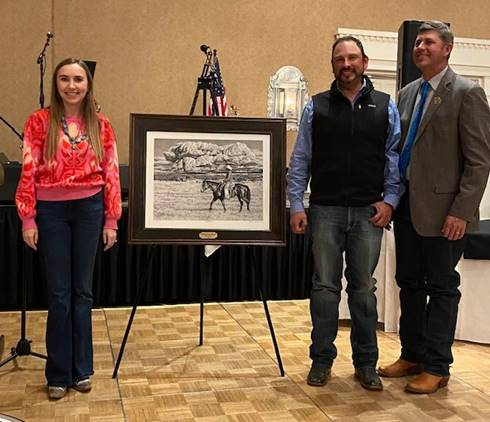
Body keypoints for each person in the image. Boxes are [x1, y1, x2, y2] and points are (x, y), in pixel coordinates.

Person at [378, 21, 490, 394]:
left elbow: (479, 161)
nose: (420, 47)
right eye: (418, 42)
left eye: (429, 42)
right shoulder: (407, 93)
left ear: (448, 49)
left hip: (447, 214)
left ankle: (438, 366)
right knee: (408, 283)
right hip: (407, 206)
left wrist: (461, 211)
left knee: (442, 286)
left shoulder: (467, 93)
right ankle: (412, 354)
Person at [287, 36, 401, 391]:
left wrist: (390, 200)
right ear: (333, 64)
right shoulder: (315, 107)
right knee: (324, 288)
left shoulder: (386, 106)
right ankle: (321, 361)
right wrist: (296, 203)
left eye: (353, 58)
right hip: (325, 211)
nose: (347, 64)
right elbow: (301, 158)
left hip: (369, 214)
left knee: (363, 290)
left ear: (365, 62)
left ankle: (366, 364)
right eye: (340, 59)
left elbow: (393, 158)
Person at [15, 58, 122, 399]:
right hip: (51, 211)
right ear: (56, 83)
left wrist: (111, 219)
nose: (71, 86)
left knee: (83, 293)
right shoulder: (38, 122)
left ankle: (82, 369)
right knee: (59, 295)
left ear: (88, 84)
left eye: (78, 79)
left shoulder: (101, 125)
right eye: (64, 79)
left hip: (89, 209)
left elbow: (111, 174)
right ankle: (58, 373)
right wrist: (28, 218)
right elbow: (28, 170)